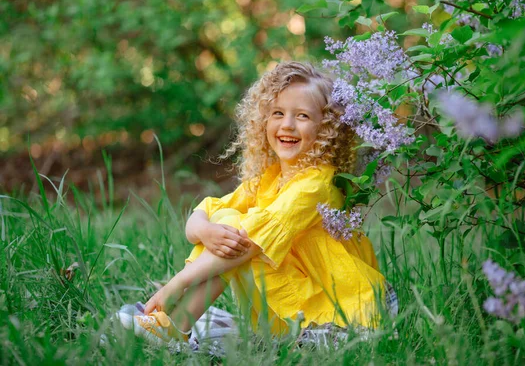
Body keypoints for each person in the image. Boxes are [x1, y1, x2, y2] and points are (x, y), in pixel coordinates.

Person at [118, 62, 393, 345]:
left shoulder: (318, 184)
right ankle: (174, 323)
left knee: (236, 234)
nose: (287, 124)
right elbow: (208, 210)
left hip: (333, 311)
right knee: (224, 223)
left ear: (326, 129)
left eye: (302, 116)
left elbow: (251, 242)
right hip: (286, 308)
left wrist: (175, 285)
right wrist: (202, 230)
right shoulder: (271, 177)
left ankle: (174, 324)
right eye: (277, 113)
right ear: (263, 120)